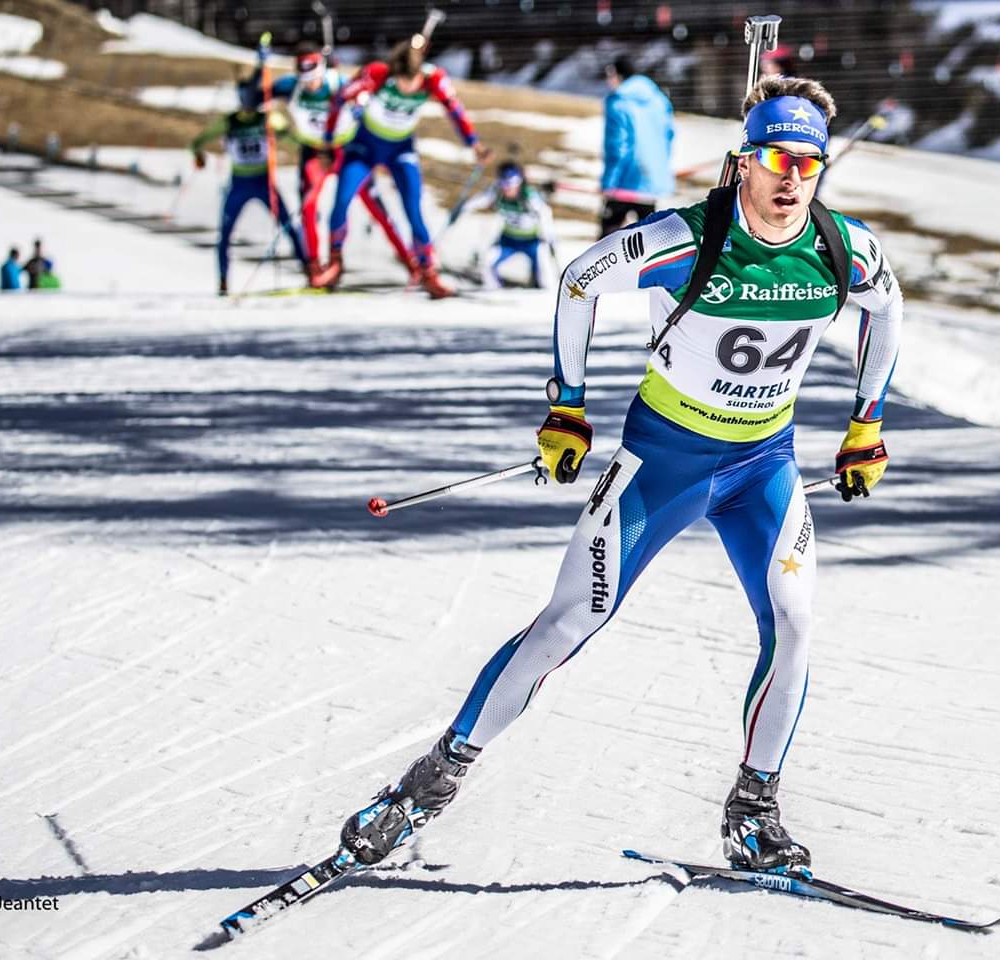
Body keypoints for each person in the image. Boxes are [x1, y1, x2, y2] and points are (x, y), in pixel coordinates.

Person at [332, 76, 903, 877]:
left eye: (807, 162)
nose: (791, 179)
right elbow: (578, 282)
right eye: (775, 158)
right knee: (571, 620)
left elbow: (889, 307)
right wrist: (567, 408)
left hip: (762, 465)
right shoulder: (689, 238)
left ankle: (755, 813)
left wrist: (865, 425)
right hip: (663, 461)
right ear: (744, 161)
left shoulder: (843, 248)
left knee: (796, 624)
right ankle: (427, 784)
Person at [319, 34, 490, 298]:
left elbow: (454, 109)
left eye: (413, 84)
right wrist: (329, 142)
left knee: (414, 210)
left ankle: (428, 272)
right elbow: (340, 98)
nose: (408, 89)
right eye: (402, 83)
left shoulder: (433, 78)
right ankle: (334, 262)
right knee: (342, 200)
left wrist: (475, 144)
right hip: (365, 146)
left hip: (400, 150)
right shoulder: (377, 74)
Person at [257, 42, 415, 285]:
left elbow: (364, 96)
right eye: (305, 78)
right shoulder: (292, 87)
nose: (310, 84)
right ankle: (316, 267)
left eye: (314, 77)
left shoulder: (337, 84)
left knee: (376, 208)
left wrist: (360, 106)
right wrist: (261, 67)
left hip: (345, 150)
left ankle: (411, 262)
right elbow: (257, 95)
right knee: (309, 206)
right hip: (314, 152)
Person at [191, 78, 309, 294]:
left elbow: (294, 139)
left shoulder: (267, 119)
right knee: (225, 233)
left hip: (264, 181)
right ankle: (223, 281)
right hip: (240, 183)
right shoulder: (231, 121)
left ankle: (308, 269)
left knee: (288, 225)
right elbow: (199, 141)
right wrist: (198, 156)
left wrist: (288, 134)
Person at [600, 56, 674, 237]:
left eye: (610, 76)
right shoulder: (659, 100)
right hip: (650, 184)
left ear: (619, 75)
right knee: (649, 244)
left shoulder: (618, 102)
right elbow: (669, 136)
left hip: (624, 182)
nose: (608, 81)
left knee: (605, 247)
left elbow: (618, 146)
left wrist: (609, 182)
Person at [453, 160, 557, 289]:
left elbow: (545, 213)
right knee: (487, 262)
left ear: (519, 182)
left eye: (511, 183)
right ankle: (495, 293)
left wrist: (550, 237)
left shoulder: (529, 197)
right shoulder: (497, 192)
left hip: (532, 241)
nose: (507, 188)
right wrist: (462, 208)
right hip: (508, 240)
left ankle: (538, 294)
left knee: (546, 280)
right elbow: (480, 200)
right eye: (503, 183)